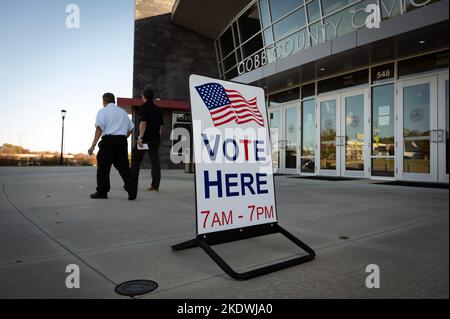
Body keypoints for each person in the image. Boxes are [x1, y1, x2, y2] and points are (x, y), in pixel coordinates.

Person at [88, 93, 137, 200]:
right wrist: (123, 137)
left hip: (108, 142)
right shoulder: (123, 112)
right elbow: (131, 128)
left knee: (103, 167)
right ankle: (132, 189)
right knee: (123, 167)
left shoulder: (103, 111)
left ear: (104, 101)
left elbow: (99, 128)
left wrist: (93, 145)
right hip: (121, 141)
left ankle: (102, 192)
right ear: (113, 101)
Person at [130, 86, 163, 192]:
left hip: (145, 140)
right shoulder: (158, 110)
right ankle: (155, 186)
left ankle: (131, 184)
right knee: (155, 162)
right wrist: (158, 138)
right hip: (155, 140)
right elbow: (161, 127)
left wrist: (140, 137)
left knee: (135, 159)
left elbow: (143, 122)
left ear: (144, 97)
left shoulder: (144, 107)